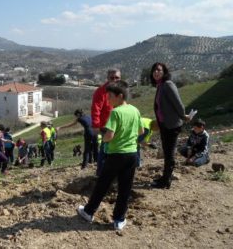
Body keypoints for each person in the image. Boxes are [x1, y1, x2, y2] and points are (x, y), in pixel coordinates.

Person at [77, 81, 143, 231]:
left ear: (120, 96)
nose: (108, 100)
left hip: (116, 155)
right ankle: (119, 220)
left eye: (110, 96)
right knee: (125, 188)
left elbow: (109, 136)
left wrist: (104, 135)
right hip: (132, 154)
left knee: (103, 184)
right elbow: (140, 132)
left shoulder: (116, 112)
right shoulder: (135, 110)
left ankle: (88, 212)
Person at [151, 62, 190, 189]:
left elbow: (178, 104)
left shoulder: (168, 84)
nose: (156, 72)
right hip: (164, 125)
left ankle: (166, 181)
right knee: (167, 152)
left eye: (159, 70)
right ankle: (165, 177)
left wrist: (183, 116)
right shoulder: (160, 85)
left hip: (172, 126)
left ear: (164, 72)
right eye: (154, 70)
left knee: (169, 154)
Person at [91, 68, 121, 176]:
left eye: (117, 77)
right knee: (105, 151)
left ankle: (114, 174)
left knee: (116, 152)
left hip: (119, 126)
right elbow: (96, 109)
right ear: (107, 78)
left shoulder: (120, 91)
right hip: (106, 127)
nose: (114, 79)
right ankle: (100, 173)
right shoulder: (100, 91)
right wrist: (95, 126)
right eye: (112, 77)